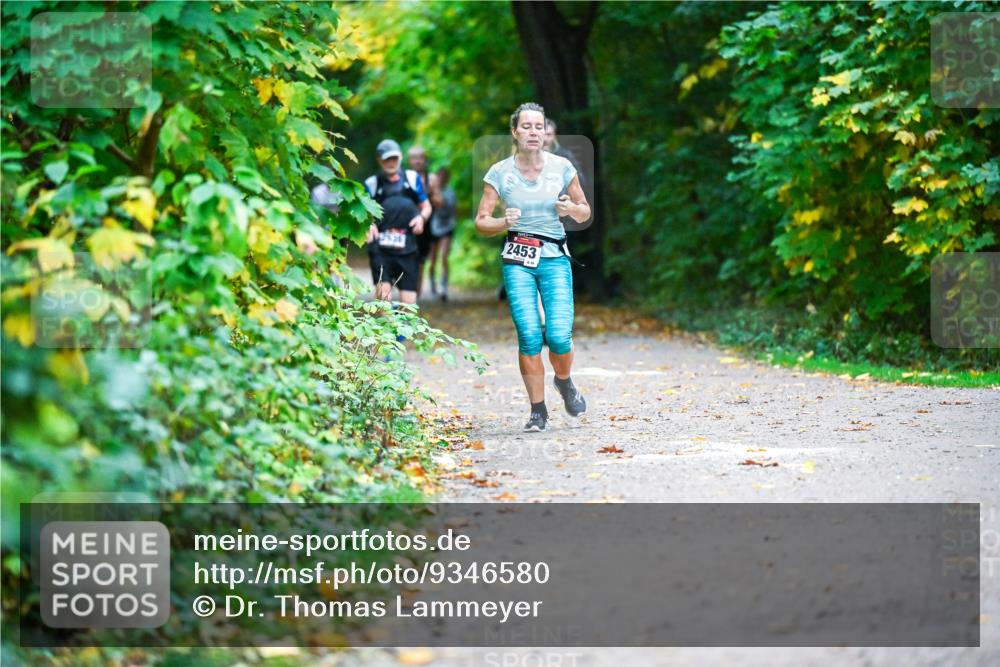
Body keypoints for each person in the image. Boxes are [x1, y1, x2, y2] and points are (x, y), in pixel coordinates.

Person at [475, 102, 592, 432]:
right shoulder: (499, 173)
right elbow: (481, 221)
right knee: (528, 336)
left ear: (545, 132)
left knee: (559, 336)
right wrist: (502, 222)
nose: (533, 132)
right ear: (515, 132)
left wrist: (570, 209)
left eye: (538, 127)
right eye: (526, 126)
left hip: (554, 259)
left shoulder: (562, 167)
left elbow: (585, 210)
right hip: (518, 261)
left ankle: (564, 381)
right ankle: (538, 411)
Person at [363, 139, 431, 304]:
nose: (391, 162)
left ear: (400, 157)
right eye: (387, 159)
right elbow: (362, 213)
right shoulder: (371, 184)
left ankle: (402, 323)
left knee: (409, 306)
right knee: (383, 301)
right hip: (380, 249)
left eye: (394, 158)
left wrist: (421, 218)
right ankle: (386, 321)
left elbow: (426, 206)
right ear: (379, 160)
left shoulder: (411, 178)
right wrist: (368, 224)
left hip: (407, 247)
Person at [407, 145, 439, 299]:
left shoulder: (431, 178)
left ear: (425, 159)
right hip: (405, 224)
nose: (417, 161)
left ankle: (415, 296)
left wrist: (430, 193)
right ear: (409, 160)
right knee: (406, 259)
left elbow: (440, 202)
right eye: (414, 158)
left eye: (420, 158)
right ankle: (408, 290)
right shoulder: (403, 177)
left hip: (425, 226)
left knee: (420, 261)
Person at [428, 166, 457, 301]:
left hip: (447, 227)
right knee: (433, 259)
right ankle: (432, 284)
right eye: (440, 176)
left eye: (444, 176)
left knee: (444, 257)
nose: (442, 179)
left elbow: (451, 208)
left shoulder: (450, 192)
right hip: (434, 227)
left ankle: (444, 287)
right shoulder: (430, 191)